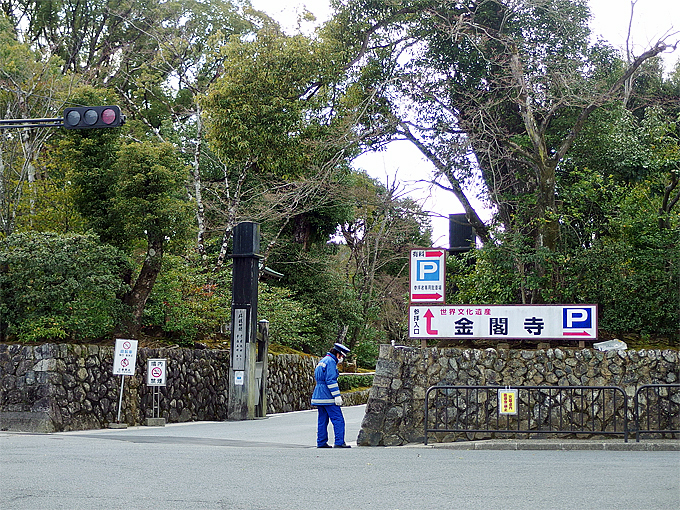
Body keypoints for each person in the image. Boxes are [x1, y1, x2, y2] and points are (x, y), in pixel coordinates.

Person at [311, 343, 351, 448]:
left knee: (322, 420)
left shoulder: (323, 360)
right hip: (327, 395)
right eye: (342, 356)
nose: (342, 358)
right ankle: (339, 442)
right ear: (338, 354)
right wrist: (336, 396)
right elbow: (331, 380)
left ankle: (321, 442)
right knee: (338, 419)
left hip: (318, 394)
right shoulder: (331, 362)